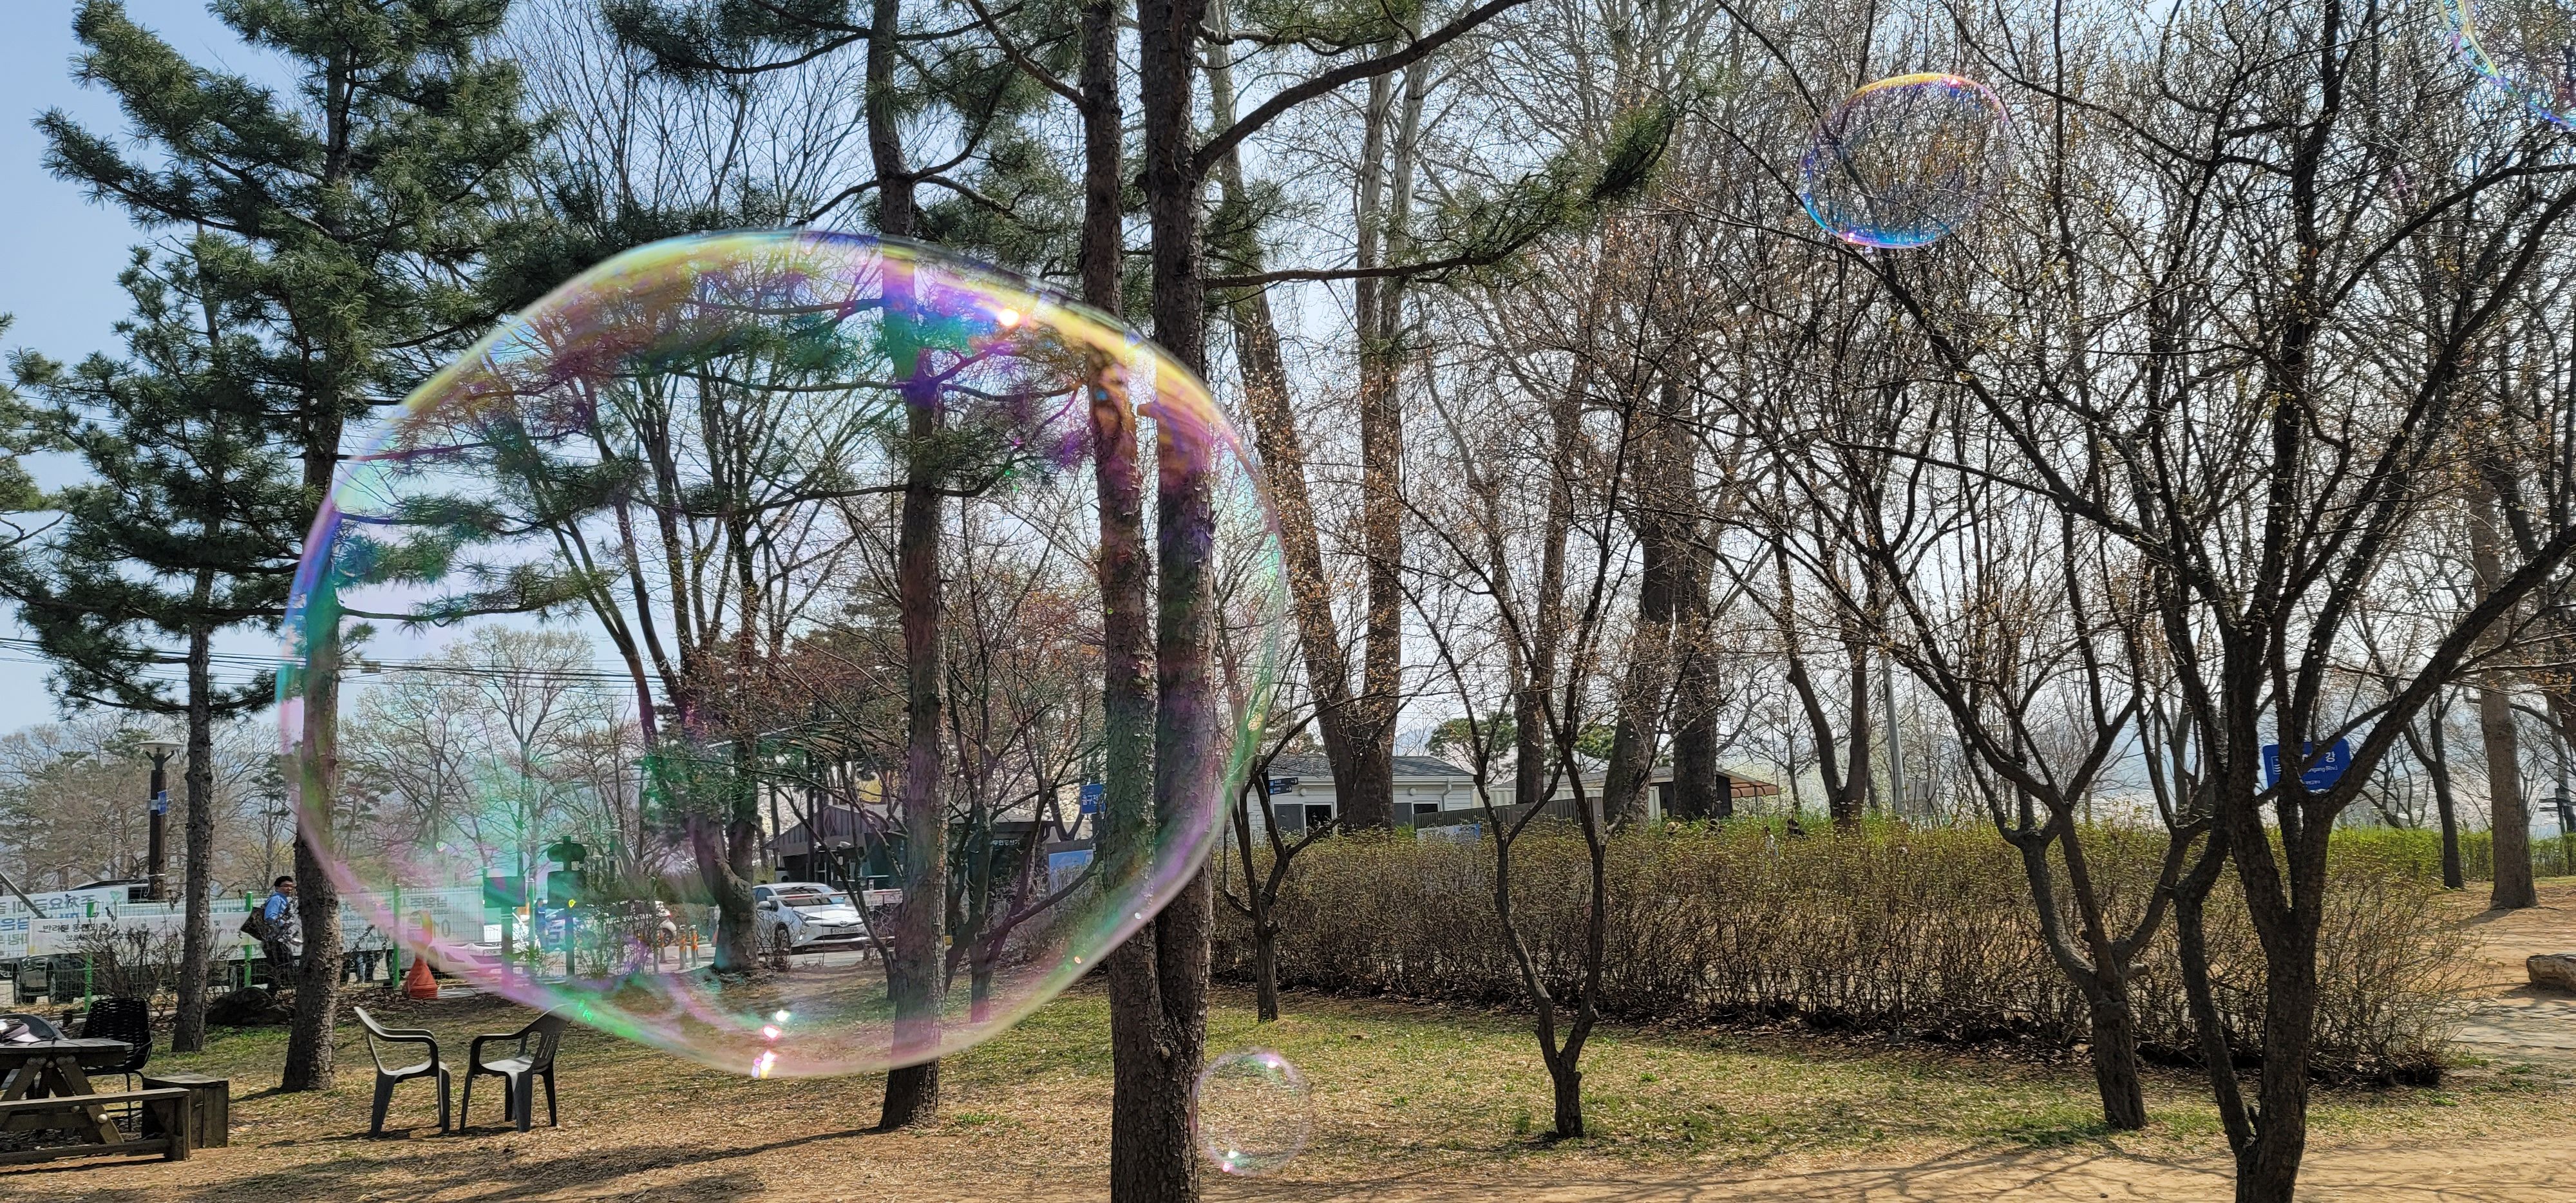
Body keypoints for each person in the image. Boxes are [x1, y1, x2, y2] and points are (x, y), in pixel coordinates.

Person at [257, 875, 301, 992]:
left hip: (278, 940)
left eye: (291, 886)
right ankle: (277, 992)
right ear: (277, 888)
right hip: (274, 940)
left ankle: (273, 993)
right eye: (285, 886)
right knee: (285, 965)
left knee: (278, 967)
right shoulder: (276, 899)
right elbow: (270, 917)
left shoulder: (284, 900)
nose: (289, 889)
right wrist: (284, 924)